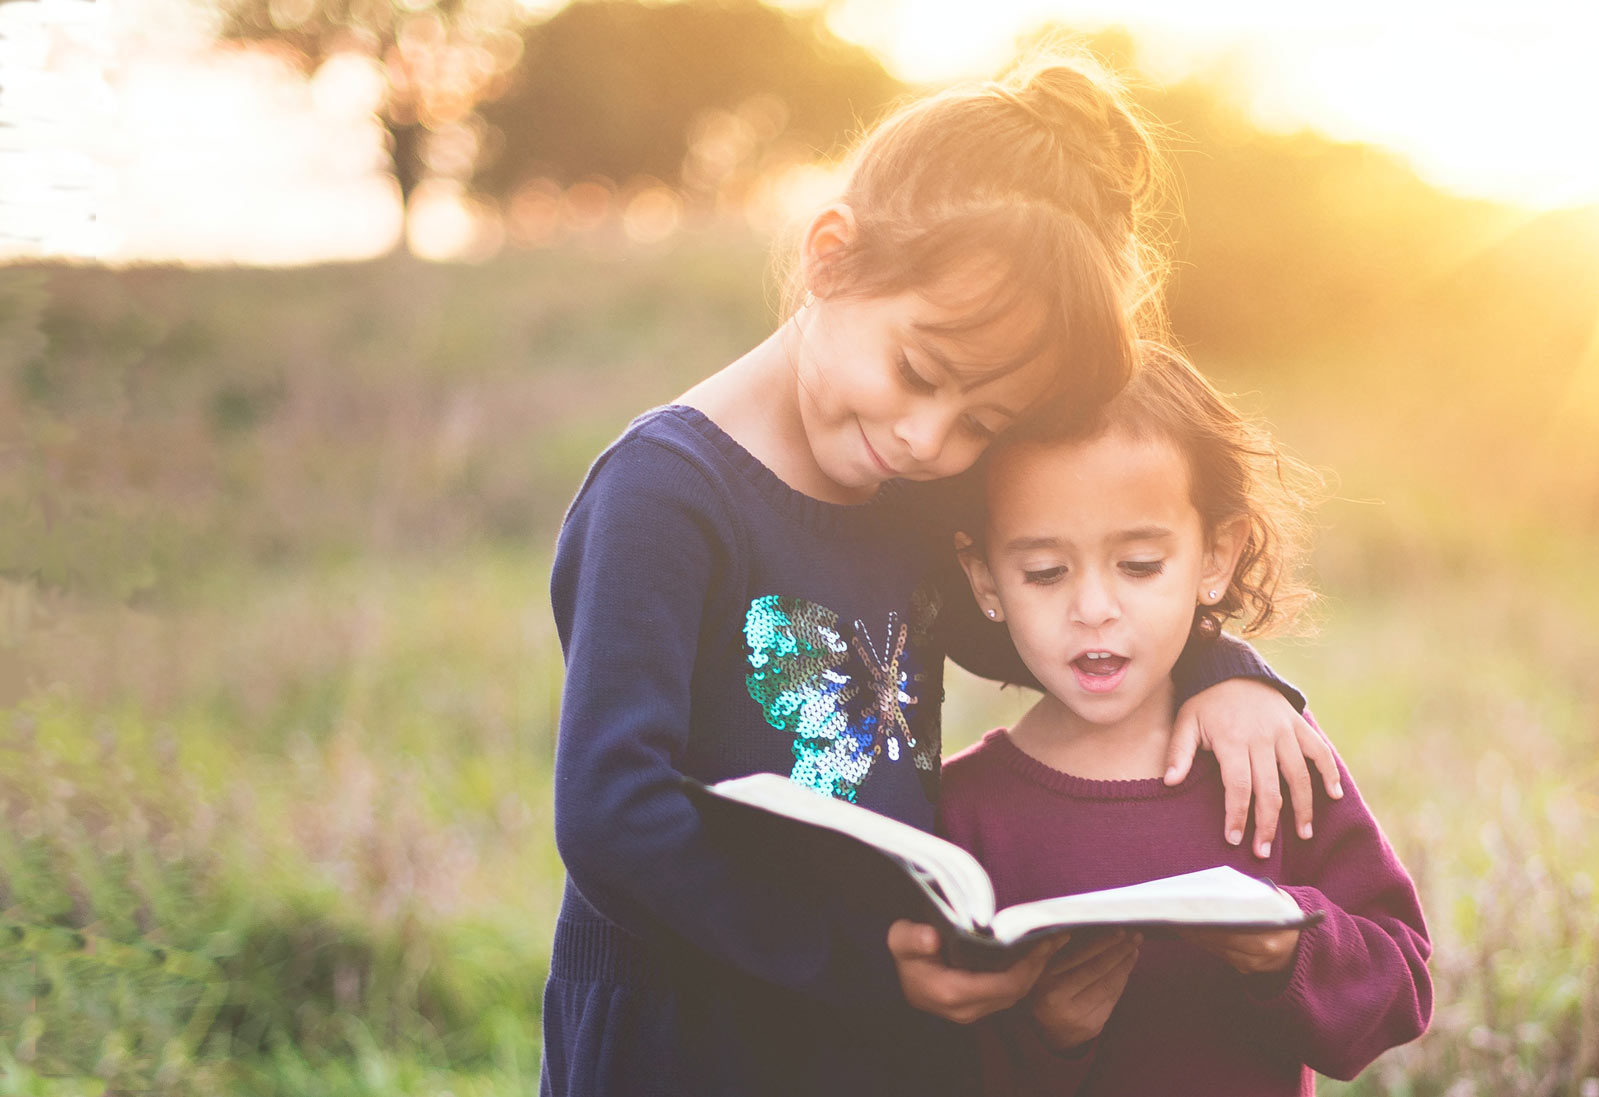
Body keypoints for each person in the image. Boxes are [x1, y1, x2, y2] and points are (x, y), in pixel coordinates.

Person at [539, 56, 1342, 1097]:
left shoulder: (902, 495)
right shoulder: (665, 495)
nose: (927, 437)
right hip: (687, 1027)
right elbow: (612, 812)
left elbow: (1055, 632)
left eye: (984, 423)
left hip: (874, 1026)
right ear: (832, 257)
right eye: (918, 372)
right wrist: (863, 961)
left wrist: (1220, 670)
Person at [942, 343, 1433, 1096]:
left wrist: (1286, 944)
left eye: (1139, 564)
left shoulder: (1266, 755)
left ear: (1216, 556)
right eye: (1044, 571)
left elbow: (1402, 984)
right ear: (985, 577)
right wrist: (1046, 1034)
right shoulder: (963, 811)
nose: (1094, 608)